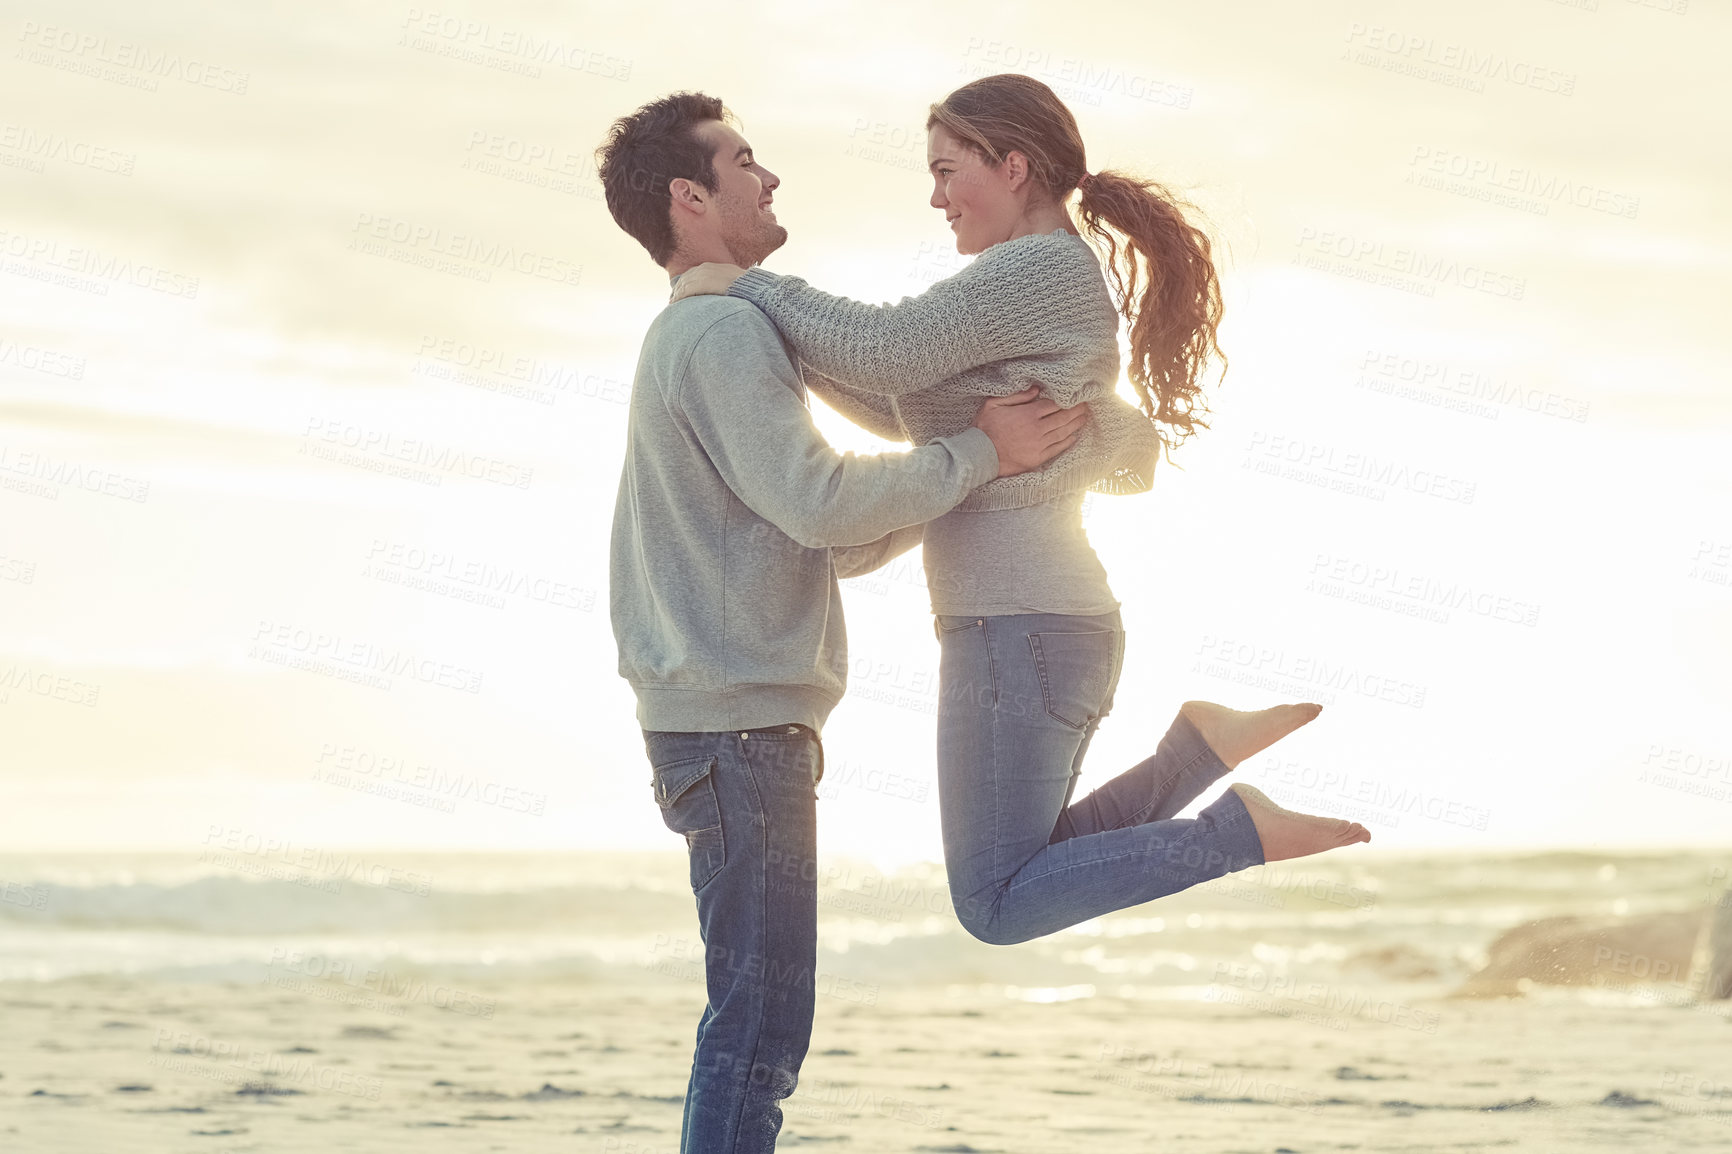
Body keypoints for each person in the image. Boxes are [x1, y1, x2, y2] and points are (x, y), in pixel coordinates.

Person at [669, 72, 1370, 949]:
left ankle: (1238, 834)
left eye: (946, 169)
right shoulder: (1039, 275)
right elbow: (907, 407)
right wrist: (781, 339)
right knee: (1031, 864)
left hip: (1020, 628)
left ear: (1013, 165)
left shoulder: (1037, 267)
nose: (935, 197)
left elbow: (888, 350)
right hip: (1037, 627)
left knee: (994, 903)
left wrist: (738, 285)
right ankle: (1197, 754)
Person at [596, 91, 1088, 1154]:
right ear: (691, 196)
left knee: (756, 1027)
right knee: (758, 1034)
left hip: (728, 726)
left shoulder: (703, 331)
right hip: (736, 731)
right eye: (742, 161)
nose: (767, 177)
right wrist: (980, 454)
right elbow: (823, 502)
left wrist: (964, 473)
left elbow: (821, 536)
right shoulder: (724, 330)